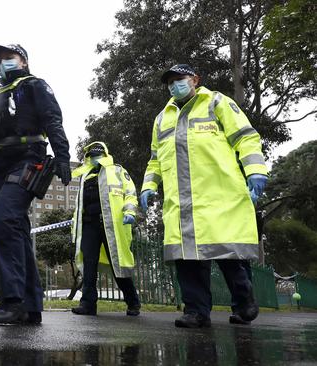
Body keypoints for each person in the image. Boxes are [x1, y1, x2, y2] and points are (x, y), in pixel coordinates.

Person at [140, 64, 268, 328]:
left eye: (180, 79)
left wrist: (255, 169)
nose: (175, 85)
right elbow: (155, 160)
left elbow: (245, 137)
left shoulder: (217, 102)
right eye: (171, 82)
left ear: (195, 79)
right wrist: (148, 186)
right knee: (187, 261)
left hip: (220, 198)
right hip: (182, 204)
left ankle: (244, 304)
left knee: (229, 256)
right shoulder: (162, 118)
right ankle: (196, 311)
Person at [0, 44, 71, 325]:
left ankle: (13, 300)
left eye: (9, 58)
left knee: (5, 221)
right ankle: (31, 307)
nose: (3, 63)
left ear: (23, 61)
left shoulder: (35, 86)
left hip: (28, 159)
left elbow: (53, 120)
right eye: (0, 60)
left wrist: (63, 157)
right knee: (18, 230)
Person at [70, 142, 141, 316]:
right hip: (89, 226)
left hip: (112, 226)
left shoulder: (117, 171)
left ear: (105, 155)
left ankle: (133, 302)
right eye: (91, 156)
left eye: (97, 156)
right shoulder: (84, 176)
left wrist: (130, 210)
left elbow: (130, 192)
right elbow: (79, 206)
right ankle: (87, 304)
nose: (94, 159)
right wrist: (75, 227)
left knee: (118, 265)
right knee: (89, 265)